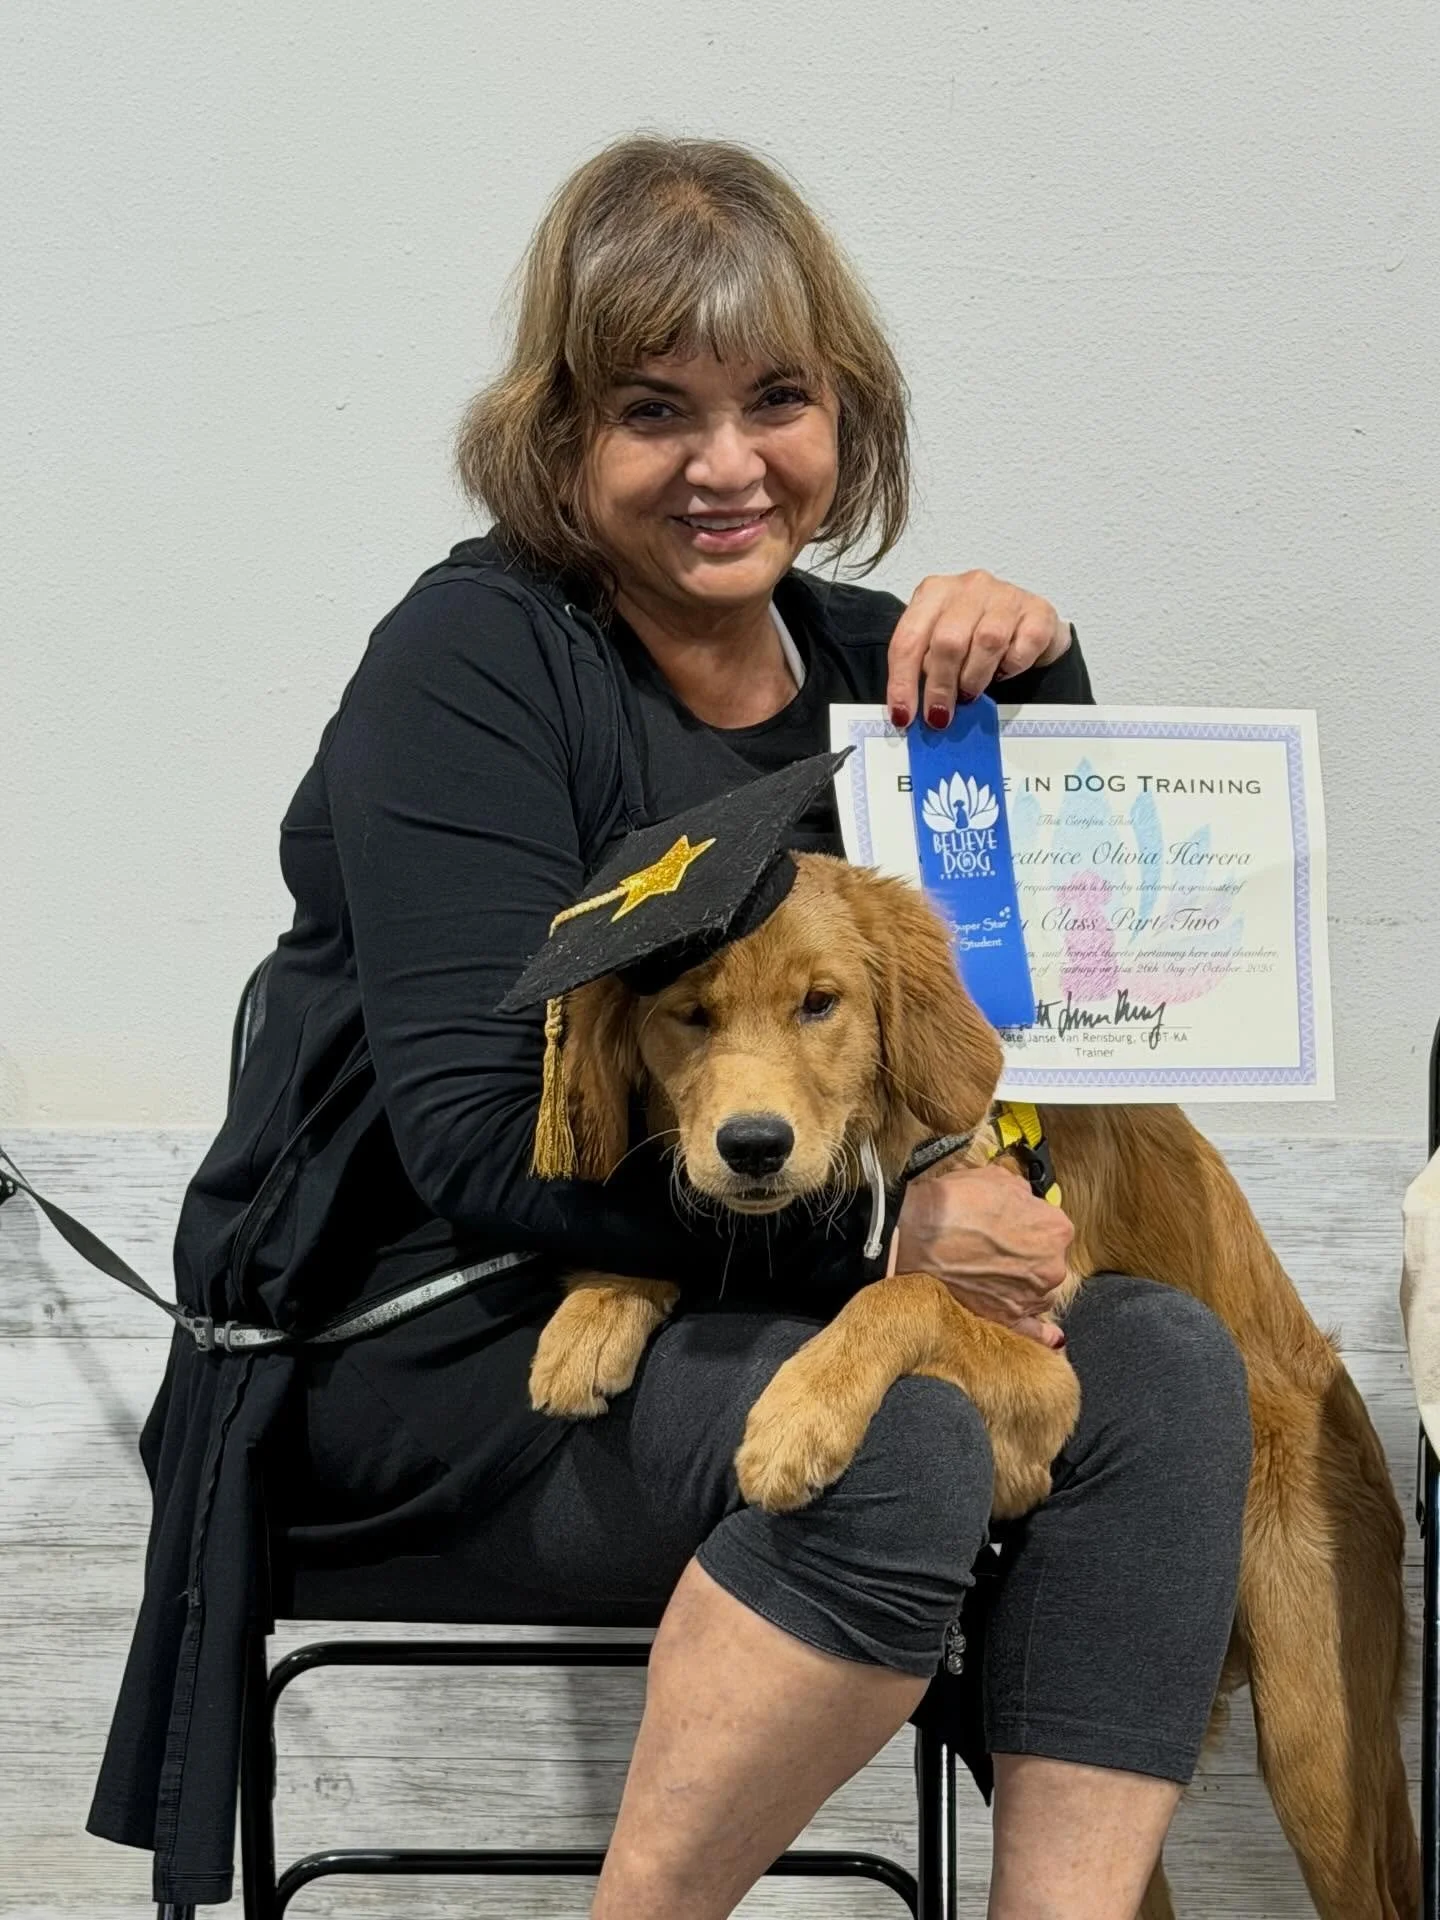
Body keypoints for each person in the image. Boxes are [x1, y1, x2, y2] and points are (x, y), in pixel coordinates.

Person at [89, 135, 1251, 1919]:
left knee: (1165, 1366)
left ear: (844, 412)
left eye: (776, 398)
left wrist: (1049, 678)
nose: (728, 465)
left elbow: (1024, 1024)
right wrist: (887, 1229)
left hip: (773, 1301)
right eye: (656, 410)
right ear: (561, 437)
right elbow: (482, 1147)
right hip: (442, 1334)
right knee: (891, 1433)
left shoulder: (886, 664)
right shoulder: (471, 663)